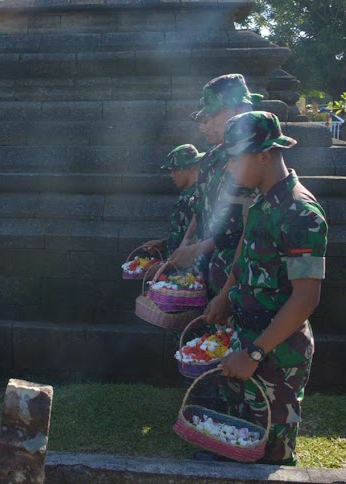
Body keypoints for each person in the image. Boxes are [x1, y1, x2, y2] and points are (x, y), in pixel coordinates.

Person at [208, 111, 326, 465]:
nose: (230, 168)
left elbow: (306, 298)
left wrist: (255, 354)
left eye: (234, 158)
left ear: (264, 154)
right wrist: (225, 293)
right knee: (239, 441)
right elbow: (244, 249)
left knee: (270, 456)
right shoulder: (260, 201)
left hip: (278, 356)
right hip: (247, 338)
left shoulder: (301, 212)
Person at [170, 74, 262, 298]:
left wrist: (196, 250)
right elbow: (199, 206)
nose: (206, 125)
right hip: (208, 274)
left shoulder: (256, 158)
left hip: (242, 281)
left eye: (213, 115)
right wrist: (186, 245)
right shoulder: (212, 157)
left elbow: (249, 229)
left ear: (237, 110)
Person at [142, 144, 202, 259]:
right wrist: (165, 243)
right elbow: (182, 233)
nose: (172, 175)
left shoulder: (199, 196)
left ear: (192, 168)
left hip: (188, 271)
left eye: (176, 170)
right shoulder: (186, 195)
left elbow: (197, 240)